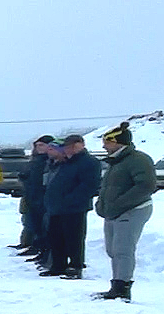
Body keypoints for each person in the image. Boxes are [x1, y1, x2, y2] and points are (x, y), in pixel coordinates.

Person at [93, 124, 157, 301]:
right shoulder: (115, 162)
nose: (104, 146)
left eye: (106, 142)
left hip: (133, 210)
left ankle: (122, 287)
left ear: (117, 142)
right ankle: (116, 283)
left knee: (123, 249)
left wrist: (119, 204)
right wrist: (102, 204)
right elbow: (108, 187)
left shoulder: (138, 159)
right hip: (114, 212)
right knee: (112, 250)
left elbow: (146, 186)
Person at [41, 134, 103, 279]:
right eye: (66, 147)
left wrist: (70, 199)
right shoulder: (65, 162)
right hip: (56, 206)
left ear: (79, 145)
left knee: (74, 238)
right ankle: (58, 265)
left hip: (75, 207)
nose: (67, 150)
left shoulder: (89, 162)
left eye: (69, 147)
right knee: (56, 236)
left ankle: (76, 266)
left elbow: (89, 185)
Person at [15, 136, 56, 256]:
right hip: (31, 195)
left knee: (43, 226)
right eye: (37, 145)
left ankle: (42, 249)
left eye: (41, 145)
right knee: (33, 222)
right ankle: (34, 246)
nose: (38, 148)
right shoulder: (35, 160)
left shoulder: (49, 161)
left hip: (43, 197)